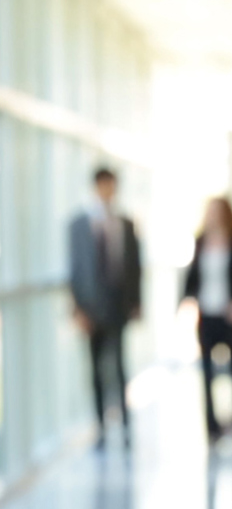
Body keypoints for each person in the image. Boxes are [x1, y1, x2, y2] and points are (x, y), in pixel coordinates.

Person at [68, 167, 143, 448]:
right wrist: (77, 309)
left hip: (118, 305)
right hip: (90, 307)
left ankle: (124, 423)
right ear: (96, 187)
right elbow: (74, 269)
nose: (107, 191)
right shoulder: (78, 224)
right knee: (96, 368)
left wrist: (137, 303)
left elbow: (134, 267)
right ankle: (99, 425)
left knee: (120, 364)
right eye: (103, 186)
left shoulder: (125, 223)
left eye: (111, 186)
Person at [182, 198, 232, 439]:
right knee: (207, 370)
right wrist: (186, 301)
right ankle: (212, 423)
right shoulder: (201, 241)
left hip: (230, 314)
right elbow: (191, 277)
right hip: (207, 314)